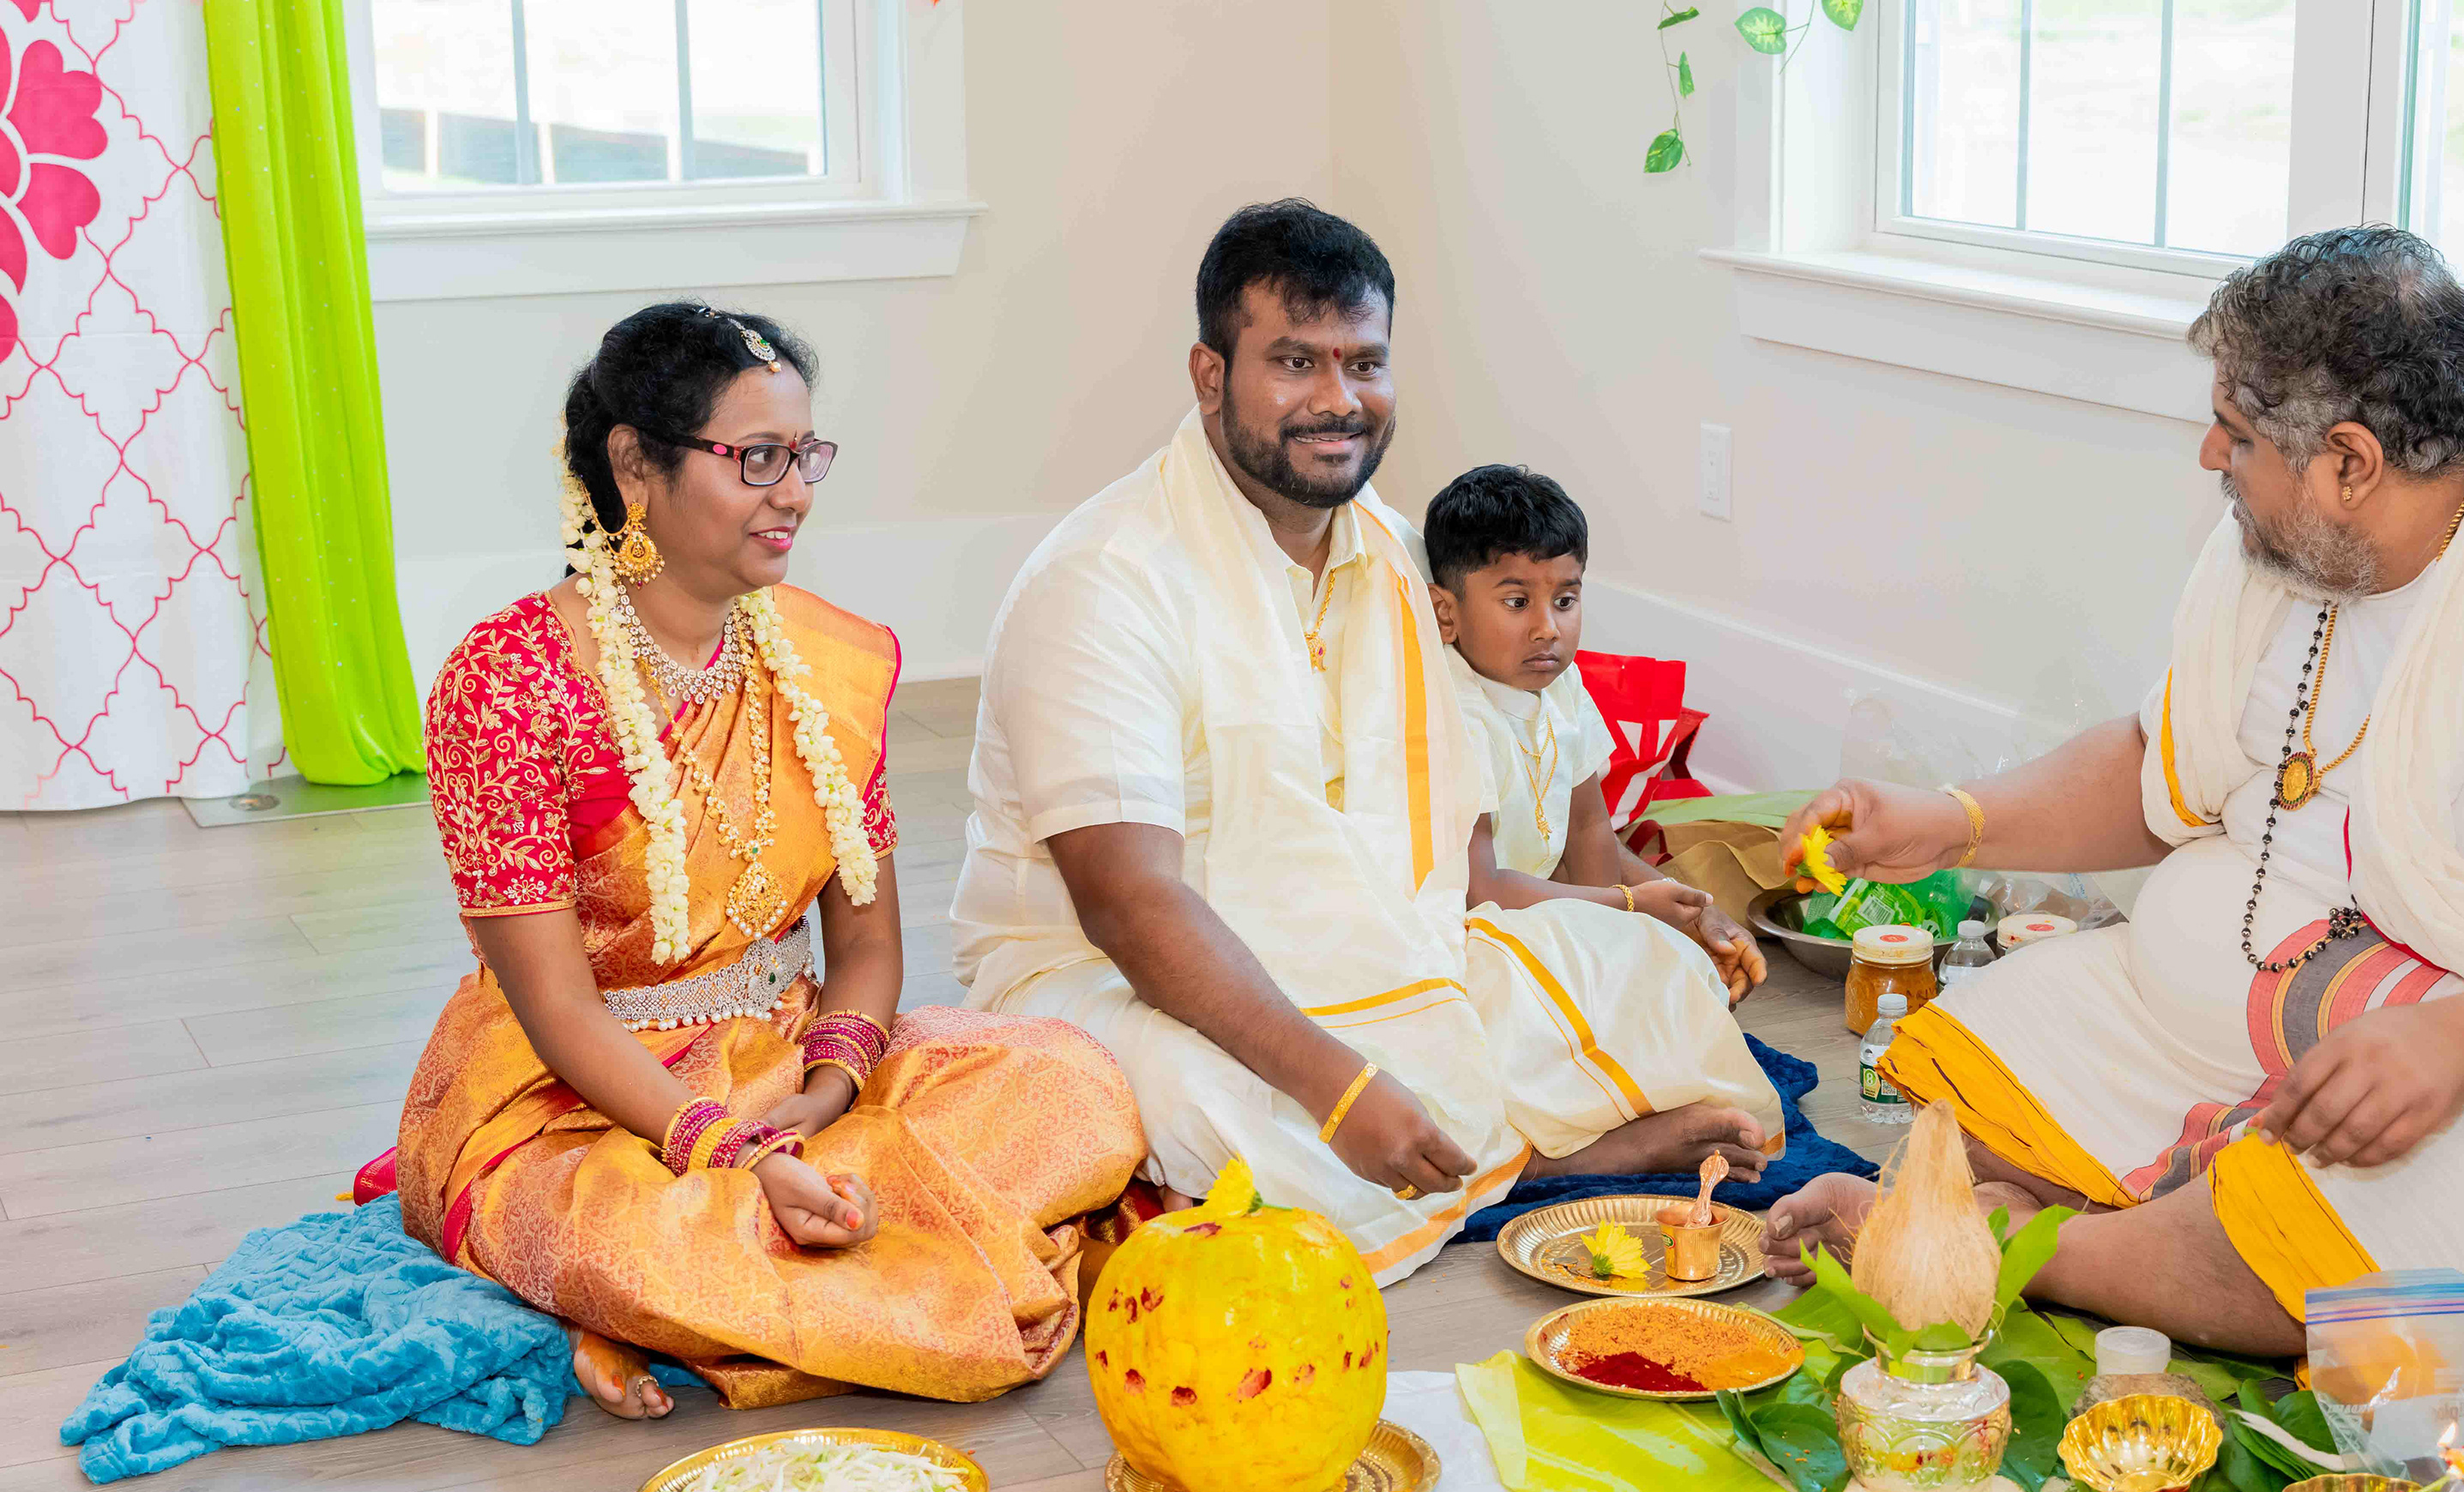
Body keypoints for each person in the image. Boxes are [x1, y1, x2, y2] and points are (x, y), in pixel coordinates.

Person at [1761, 227, 2464, 1362]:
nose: (2209, 454)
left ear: (2349, 462)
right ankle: (2110, 1236)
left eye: (2236, 433)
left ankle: (2024, 1250)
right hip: (2311, 1023)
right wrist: (1952, 823)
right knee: (1979, 1054)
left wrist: (2453, 1049)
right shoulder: (2296, 554)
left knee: (2367, 1277)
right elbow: (2162, 764)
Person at [956, 202, 1782, 1281]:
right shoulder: (1105, 580)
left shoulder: (1398, 559)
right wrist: (1339, 1088)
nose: (1337, 399)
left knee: (1636, 967)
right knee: (1213, 1103)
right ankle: (1536, 1160)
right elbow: (1128, 906)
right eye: (1294, 361)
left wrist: (1626, 909)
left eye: (1364, 362)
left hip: (1349, 943)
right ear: (1210, 375)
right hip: (1102, 972)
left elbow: (1459, 858)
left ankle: (1481, 1148)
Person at [381, 304, 1146, 1418]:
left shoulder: (821, 659)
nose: (794, 493)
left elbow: (868, 947)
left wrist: (825, 1096)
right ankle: (711, 1279)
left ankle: (766, 1278)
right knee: (634, 1240)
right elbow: (559, 1014)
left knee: (1078, 1089)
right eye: (756, 459)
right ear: (634, 466)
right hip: (581, 1096)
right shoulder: (509, 682)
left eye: (803, 455)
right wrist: (732, 1153)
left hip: (786, 1060)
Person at [1424, 460, 1764, 999]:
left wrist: (1668, 923)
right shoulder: (1450, 713)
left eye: (1565, 601)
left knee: (1685, 981)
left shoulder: (1562, 685)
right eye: (1517, 602)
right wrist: (1629, 909)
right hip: (1464, 935)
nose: (1548, 629)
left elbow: (1587, 828)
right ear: (1446, 613)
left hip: (1546, 916)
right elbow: (1480, 891)